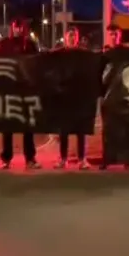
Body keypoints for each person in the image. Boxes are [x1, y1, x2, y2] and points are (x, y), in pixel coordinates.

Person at [0, 19, 40, 170]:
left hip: (26, 91)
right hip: (9, 91)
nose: (18, 30)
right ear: (12, 28)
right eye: (15, 27)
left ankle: (30, 157)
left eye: (20, 27)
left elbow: (38, 63)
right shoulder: (5, 44)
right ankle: (6, 158)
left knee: (28, 127)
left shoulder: (30, 45)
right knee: (8, 126)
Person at [54, 27, 90, 169]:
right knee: (64, 130)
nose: (71, 38)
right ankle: (63, 159)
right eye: (69, 35)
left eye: (74, 36)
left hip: (79, 97)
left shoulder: (83, 54)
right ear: (65, 37)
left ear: (77, 38)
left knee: (81, 130)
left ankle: (82, 159)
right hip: (64, 97)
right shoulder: (59, 54)